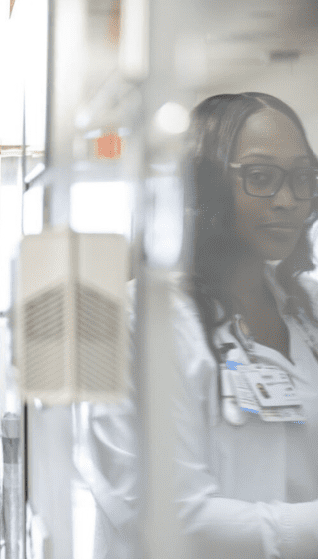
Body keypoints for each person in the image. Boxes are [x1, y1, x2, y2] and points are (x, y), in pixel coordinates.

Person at [166, 92, 318, 557]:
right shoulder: (152, 322)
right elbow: (175, 520)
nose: (288, 200)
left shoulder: (307, 306)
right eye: (260, 178)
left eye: (303, 178)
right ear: (207, 187)